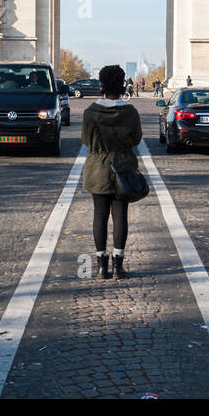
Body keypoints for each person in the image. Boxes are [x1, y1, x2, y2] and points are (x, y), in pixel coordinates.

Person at [81, 64, 143, 280]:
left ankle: (101, 266)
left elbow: (86, 140)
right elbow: (136, 139)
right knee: (120, 216)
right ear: (122, 85)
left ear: (102, 85)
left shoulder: (90, 112)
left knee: (99, 215)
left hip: (97, 168)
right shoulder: (130, 111)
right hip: (123, 167)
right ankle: (118, 266)